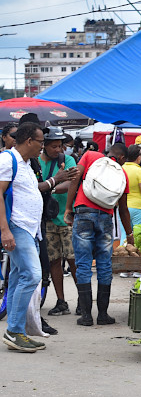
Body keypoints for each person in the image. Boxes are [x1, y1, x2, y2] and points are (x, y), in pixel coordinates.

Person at [0, 122, 57, 351]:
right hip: (17, 226)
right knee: (32, 275)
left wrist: (56, 180)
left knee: (17, 278)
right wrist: (5, 230)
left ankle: (17, 330)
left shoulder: (26, 164)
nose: (43, 146)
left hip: (30, 229)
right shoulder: (7, 160)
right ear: (29, 141)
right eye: (41, 141)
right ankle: (14, 330)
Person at [66, 141, 133, 327]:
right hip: (105, 216)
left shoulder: (90, 156)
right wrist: (130, 234)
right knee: (104, 264)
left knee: (83, 264)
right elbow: (123, 209)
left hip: (83, 213)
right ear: (122, 158)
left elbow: (74, 179)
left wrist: (67, 209)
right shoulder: (122, 173)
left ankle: (86, 316)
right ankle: (103, 315)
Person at [38, 127, 80, 316]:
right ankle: (61, 301)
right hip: (47, 220)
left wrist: (49, 188)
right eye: (53, 146)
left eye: (60, 145)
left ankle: (83, 299)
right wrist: (52, 184)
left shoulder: (67, 160)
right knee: (54, 261)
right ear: (44, 146)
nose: (58, 149)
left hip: (66, 218)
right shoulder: (36, 162)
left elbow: (72, 182)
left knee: (74, 260)